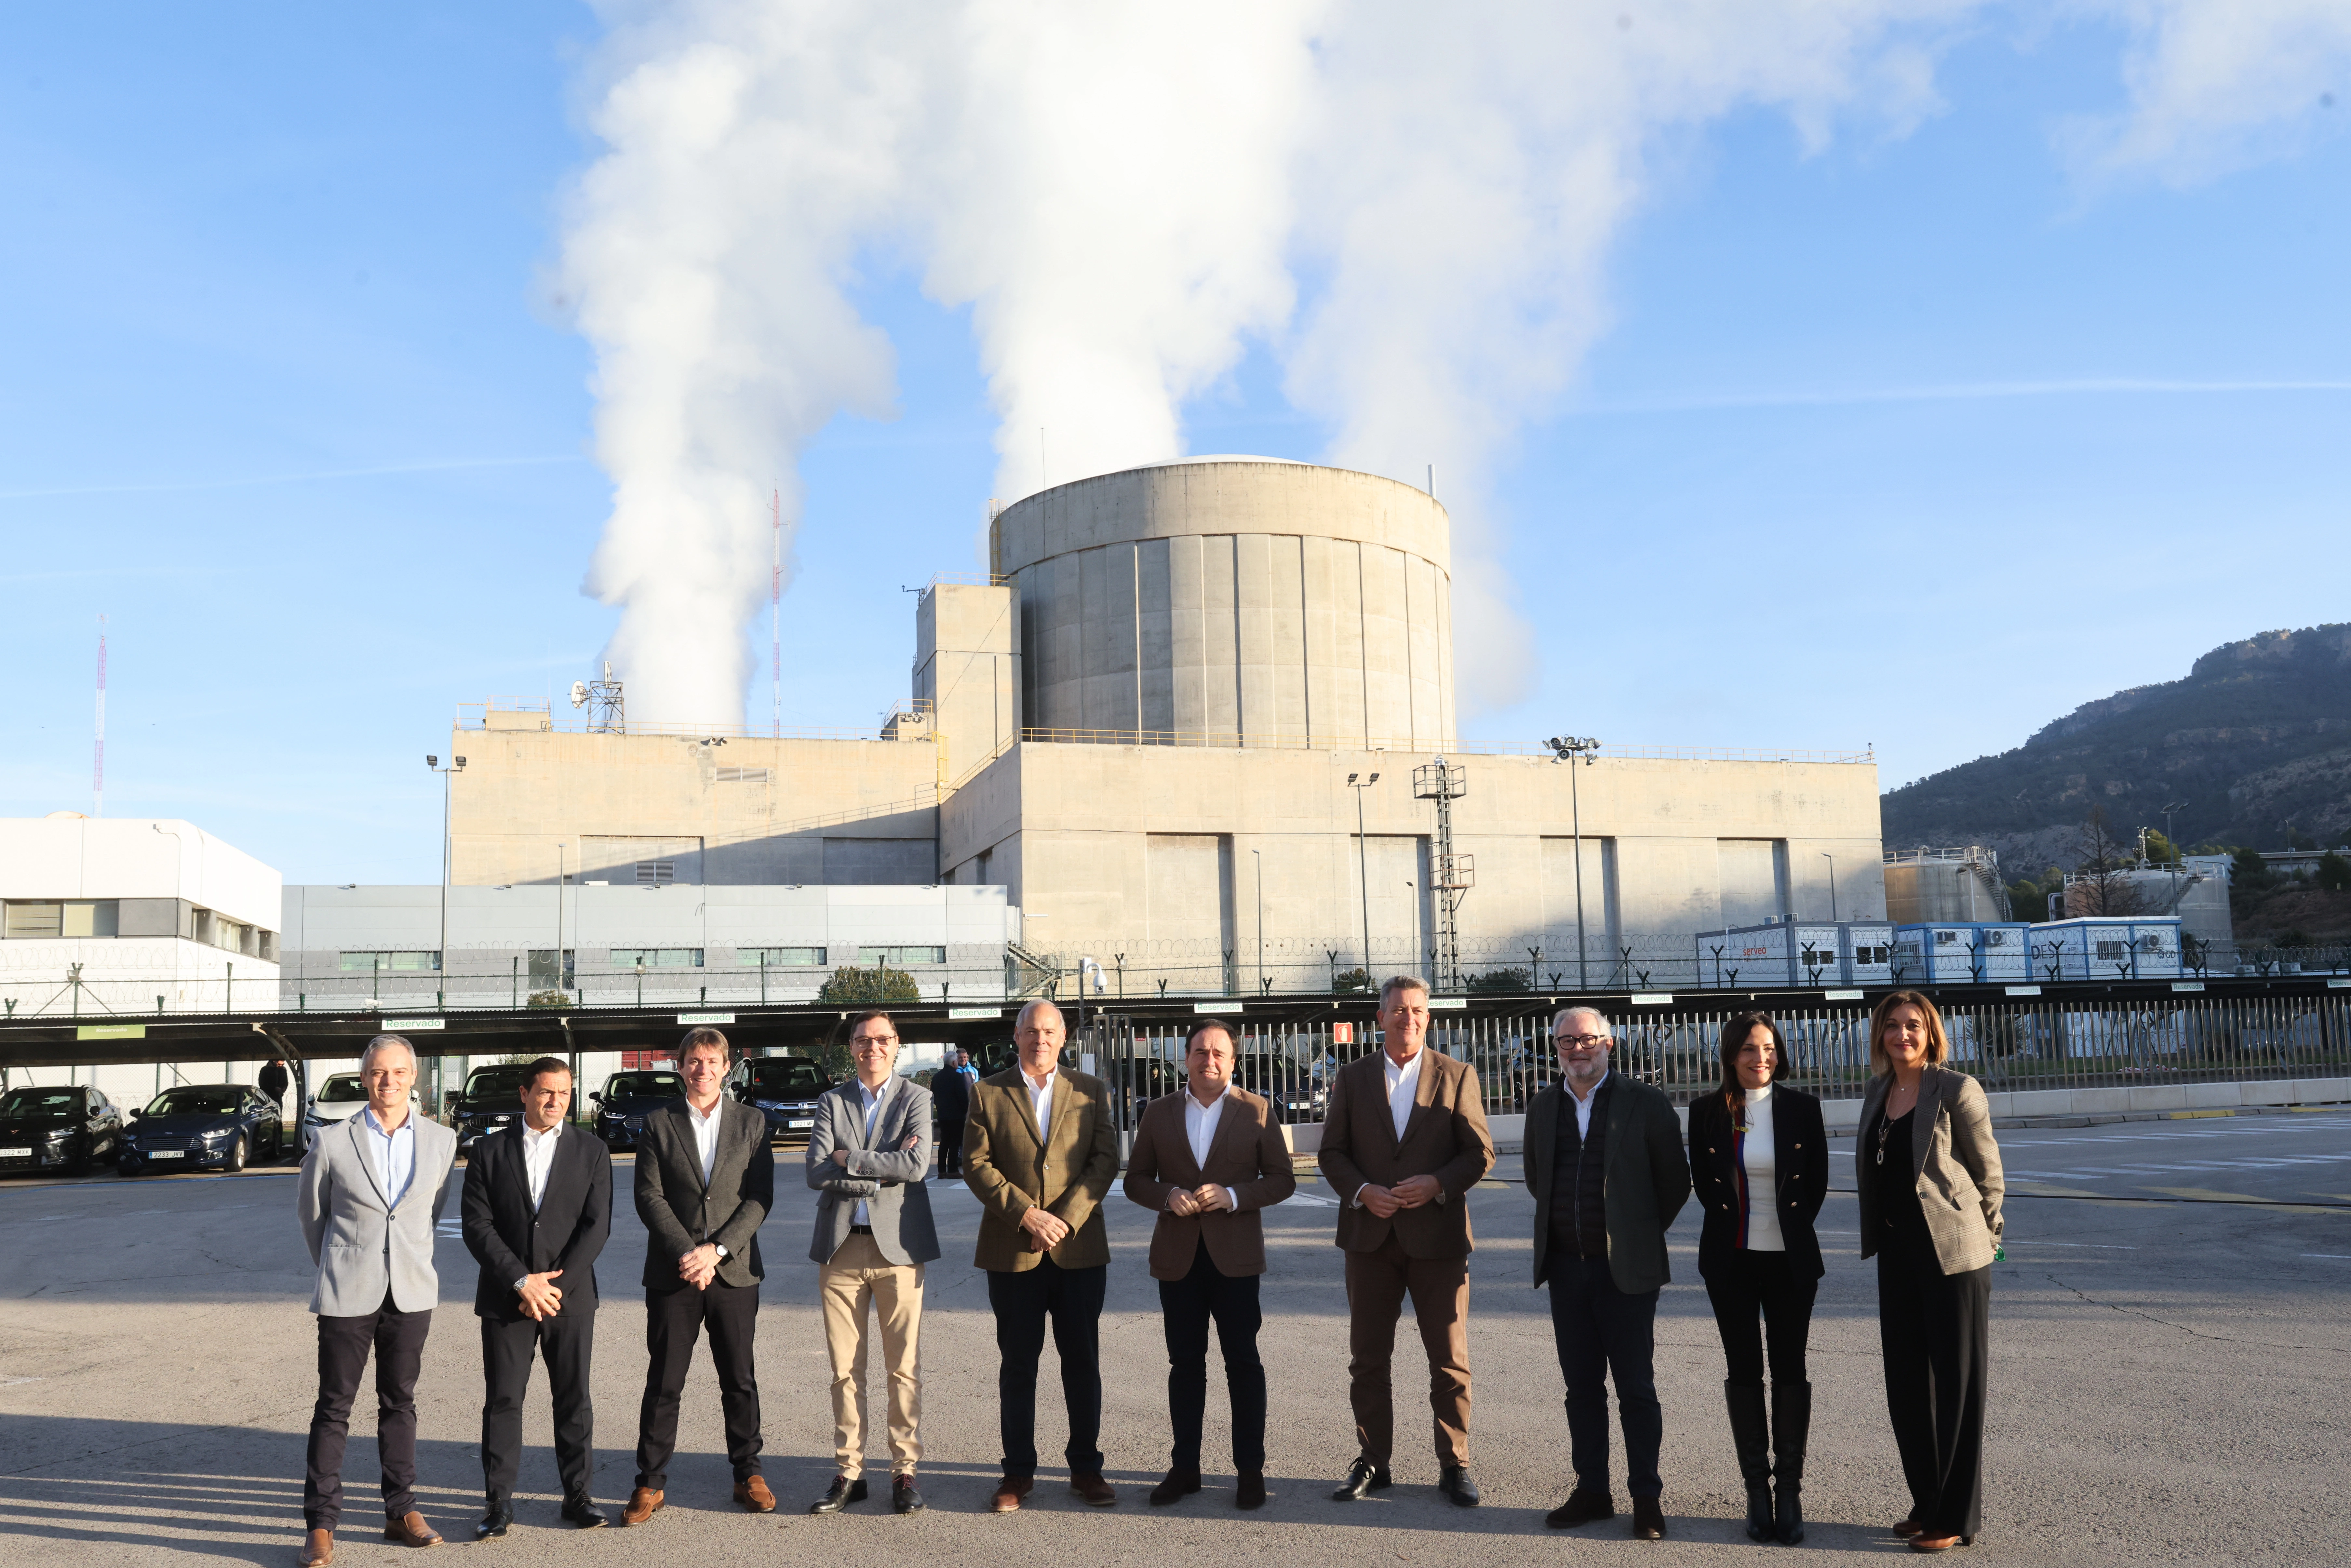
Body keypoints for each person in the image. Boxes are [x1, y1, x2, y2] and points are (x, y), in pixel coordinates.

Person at [1317, 975, 1495, 1508]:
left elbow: (1479, 1152)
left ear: (1428, 1018)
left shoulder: (1456, 1075)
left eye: (1417, 1010)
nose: (1407, 1018)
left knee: (1448, 1359)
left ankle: (1455, 1463)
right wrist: (1362, 1191)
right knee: (1368, 1359)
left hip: (1438, 1240)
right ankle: (1373, 1460)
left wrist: (1437, 1183)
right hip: (1368, 1239)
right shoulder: (1352, 1078)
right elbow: (1331, 1153)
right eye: (1397, 1010)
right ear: (1380, 1016)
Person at [1525, 1005, 1691, 1542]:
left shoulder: (1644, 1103)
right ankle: (1592, 1489)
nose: (1578, 1048)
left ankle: (1646, 1496)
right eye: (1567, 1041)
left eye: (1588, 1039)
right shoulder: (1543, 1106)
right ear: (1556, 1048)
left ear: (1609, 1044)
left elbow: (1673, 1183)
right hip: (1566, 1271)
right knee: (1580, 1389)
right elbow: (1536, 1178)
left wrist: (1633, 1233)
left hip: (1625, 1272)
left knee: (1635, 1389)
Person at [294, 1034, 459, 1566]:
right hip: (348, 1291)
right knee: (334, 1406)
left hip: (410, 1291)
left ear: (414, 1078)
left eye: (398, 1072)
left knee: (400, 1402)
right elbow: (311, 1215)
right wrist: (343, 1262)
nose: (388, 1081)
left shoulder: (441, 1140)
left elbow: (431, 1213)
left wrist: (402, 1256)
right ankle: (321, 1524)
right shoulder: (332, 1141)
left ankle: (401, 1509)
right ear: (365, 1079)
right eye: (378, 1073)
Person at [1122, 1018, 1297, 1510]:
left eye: (1219, 1052)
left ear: (1234, 1060)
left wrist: (1235, 1195)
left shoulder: (1257, 1111)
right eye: (1200, 1051)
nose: (1210, 1060)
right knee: (1185, 1366)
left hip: (1236, 1259)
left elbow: (1282, 1180)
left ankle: (1250, 1471)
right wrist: (1167, 1194)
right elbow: (1136, 1179)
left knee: (1243, 1363)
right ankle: (1186, 1468)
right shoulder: (1157, 1113)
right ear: (1186, 1058)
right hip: (1178, 1259)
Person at [961, 998, 1121, 1513]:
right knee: (1018, 1367)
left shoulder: (1091, 1091)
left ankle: (1086, 1469)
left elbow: (1105, 1161)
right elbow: (976, 1164)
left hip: (1079, 1252)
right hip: (1014, 1252)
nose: (1041, 1039)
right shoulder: (988, 1093)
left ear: (1063, 1037)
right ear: (1017, 1034)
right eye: (1032, 1030)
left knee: (1082, 1362)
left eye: (1050, 1031)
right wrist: (1027, 1215)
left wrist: (1064, 1219)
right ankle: (1017, 1474)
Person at [1859, 992, 2003, 1555]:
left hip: (1954, 1259)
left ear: (1930, 1032)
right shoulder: (1877, 1092)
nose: (1902, 1035)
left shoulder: (1955, 1090)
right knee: (1907, 1385)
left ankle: (1954, 1514)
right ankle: (1926, 1501)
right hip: (1897, 1257)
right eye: (1892, 1026)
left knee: (1958, 1386)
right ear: (1879, 1035)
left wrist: (1989, 1245)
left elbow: (1989, 1176)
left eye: (1912, 1025)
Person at [625, 1026, 777, 1524]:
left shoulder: (753, 1122)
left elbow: (759, 1198)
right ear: (681, 1065)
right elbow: (649, 1196)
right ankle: (650, 1482)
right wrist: (689, 1253)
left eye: (713, 1061)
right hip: (674, 1274)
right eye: (694, 1060)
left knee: (739, 1379)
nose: (703, 1069)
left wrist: (717, 1250)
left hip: (734, 1273)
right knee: (665, 1382)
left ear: (727, 1066)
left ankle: (748, 1473)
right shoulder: (658, 1123)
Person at [460, 1055, 614, 1537]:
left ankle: (577, 1496)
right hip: (507, 1298)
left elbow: (596, 1227)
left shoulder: (592, 1150)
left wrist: (553, 1287)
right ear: (524, 1093)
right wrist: (522, 1281)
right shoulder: (488, 1152)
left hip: (570, 1299)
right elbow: (477, 1226)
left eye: (565, 1093)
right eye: (546, 1092)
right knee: (504, 1399)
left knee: (573, 1398)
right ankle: (499, 1502)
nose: (556, 1101)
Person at [1688, 1014, 1828, 1544]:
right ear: (1730, 1055)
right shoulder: (1705, 1112)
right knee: (1743, 1368)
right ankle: (1756, 1491)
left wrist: (1780, 1228)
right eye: (1748, 1049)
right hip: (1730, 1263)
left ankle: (1788, 1491)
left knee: (1790, 1366)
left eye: (1768, 1048)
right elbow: (1707, 1189)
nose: (1760, 1058)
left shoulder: (1801, 1109)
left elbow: (1813, 1188)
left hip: (1790, 1261)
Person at [804, 1011, 937, 1517]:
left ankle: (905, 1471)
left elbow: (917, 1165)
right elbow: (817, 1172)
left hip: (899, 1251)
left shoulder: (917, 1098)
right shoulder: (831, 1100)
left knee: (903, 1368)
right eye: (863, 1040)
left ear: (896, 1044)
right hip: (841, 1250)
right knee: (844, 1370)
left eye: (882, 1039)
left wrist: (850, 1158)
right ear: (852, 1048)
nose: (872, 1047)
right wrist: (880, 1169)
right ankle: (850, 1472)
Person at [930, 1048, 971, 1179]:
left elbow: (934, 1096)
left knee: (945, 1142)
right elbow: (963, 1096)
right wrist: (966, 1110)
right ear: (954, 1062)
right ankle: (953, 1169)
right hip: (957, 1115)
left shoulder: (936, 1078)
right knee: (955, 1142)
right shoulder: (957, 1077)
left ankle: (942, 1170)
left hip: (943, 1115)